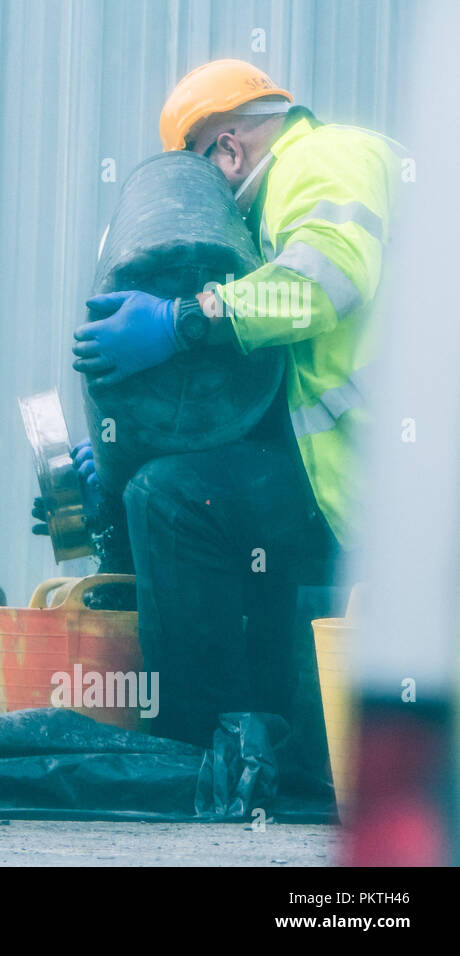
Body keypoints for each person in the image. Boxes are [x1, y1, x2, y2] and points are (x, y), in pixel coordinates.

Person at [66, 60, 405, 749]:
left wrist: (185, 317)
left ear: (227, 149)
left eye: (201, 187)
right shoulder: (297, 185)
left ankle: (198, 750)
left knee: (176, 502)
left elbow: (326, 280)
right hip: (358, 479)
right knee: (189, 496)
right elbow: (290, 384)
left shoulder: (324, 159)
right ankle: (269, 746)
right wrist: (124, 446)